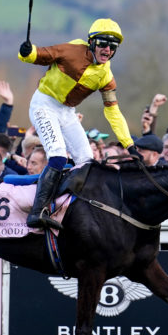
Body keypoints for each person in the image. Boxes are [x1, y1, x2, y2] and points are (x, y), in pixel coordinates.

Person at [18, 18, 137, 229]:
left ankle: (72, 206)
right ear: (91, 42)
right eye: (102, 43)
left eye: (112, 46)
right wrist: (27, 52)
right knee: (57, 155)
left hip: (68, 112)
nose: (107, 50)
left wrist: (128, 144)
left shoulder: (106, 76)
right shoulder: (72, 50)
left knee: (87, 162)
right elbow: (38, 55)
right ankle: (38, 211)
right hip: (44, 105)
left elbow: (113, 112)